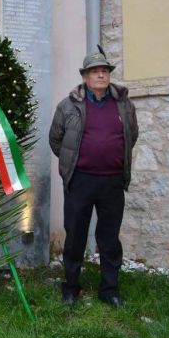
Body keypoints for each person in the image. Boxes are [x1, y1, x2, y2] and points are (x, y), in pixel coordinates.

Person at [49, 46, 138, 309]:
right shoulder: (68, 106)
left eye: (104, 71)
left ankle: (109, 290)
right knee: (75, 235)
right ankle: (71, 287)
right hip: (80, 181)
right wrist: (74, 165)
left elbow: (131, 136)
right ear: (85, 76)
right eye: (95, 71)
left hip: (112, 181)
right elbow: (56, 140)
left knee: (109, 238)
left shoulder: (124, 104)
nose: (101, 75)